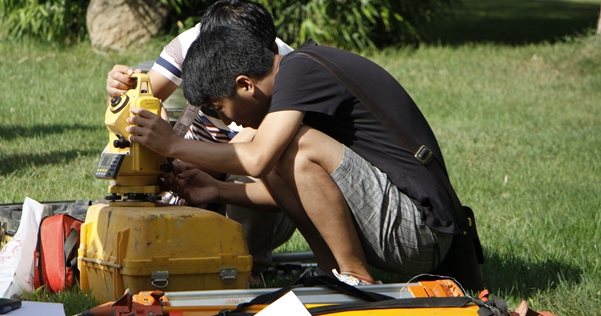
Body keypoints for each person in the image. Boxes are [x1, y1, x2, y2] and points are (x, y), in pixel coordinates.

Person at [125, 20, 467, 285]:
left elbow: (257, 160)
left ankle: (356, 277)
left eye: (220, 107)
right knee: (268, 146)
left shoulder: (300, 71)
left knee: (291, 145)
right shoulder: (292, 76)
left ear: (245, 84)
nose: (226, 119)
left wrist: (173, 145)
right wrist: (217, 189)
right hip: (396, 227)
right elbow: (303, 192)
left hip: (421, 231)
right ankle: (332, 271)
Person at [105, 0, 296, 274]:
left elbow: (247, 156)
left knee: (250, 172)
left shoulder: (283, 73)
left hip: (250, 185)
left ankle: (247, 263)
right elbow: (138, 105)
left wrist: (173, 157)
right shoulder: (193, 42)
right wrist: (122, 90)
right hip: (194, 167)